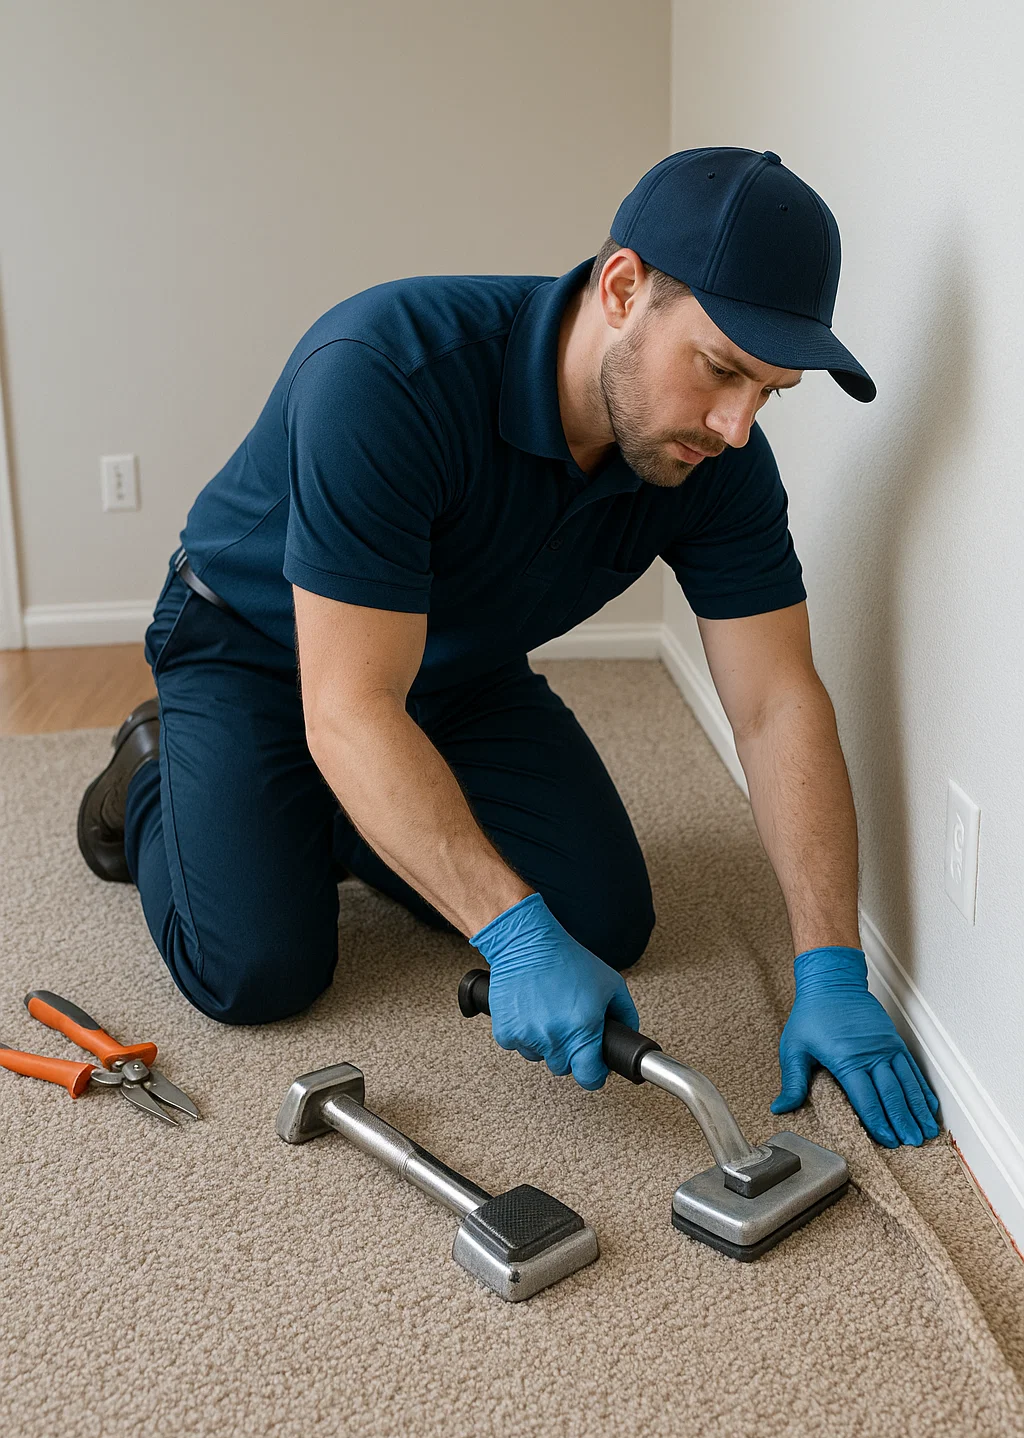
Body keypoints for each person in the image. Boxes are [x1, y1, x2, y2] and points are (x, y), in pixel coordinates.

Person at [76, 146, 940, 1149]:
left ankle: (358, 809)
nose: (737, 424)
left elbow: (775, 702)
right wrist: (511, 933)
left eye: (770, 392)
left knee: (605, 924)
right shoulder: (386, 372)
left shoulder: (715, 460)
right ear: (622, 288)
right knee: (258, 972)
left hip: (456, 670)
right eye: (720, 369)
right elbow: (349, 705)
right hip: (257, 651)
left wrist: (830, 964)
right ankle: (149, 768)